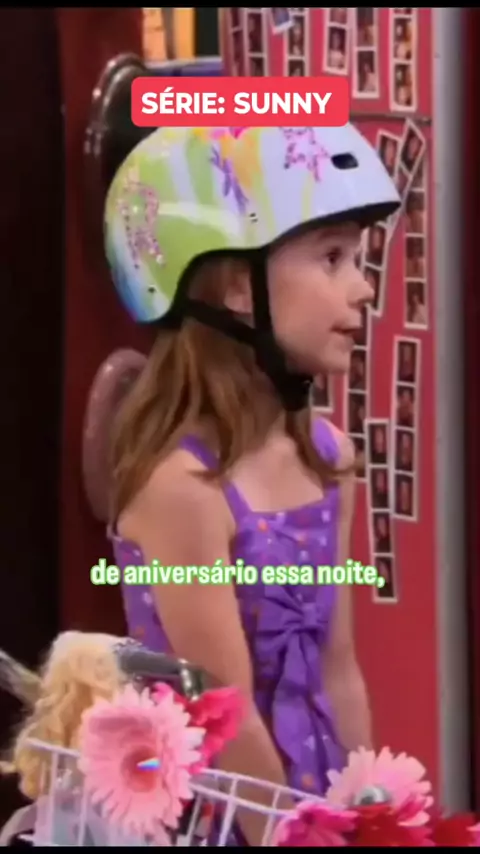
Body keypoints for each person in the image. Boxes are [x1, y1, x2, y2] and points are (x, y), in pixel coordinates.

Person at [104, 125, 400, 845]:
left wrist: (370, 815)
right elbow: (225, 715)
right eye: (332, 257)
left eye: (358, 258)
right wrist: (298, 837)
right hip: (222, 816)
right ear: (237, 285)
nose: (363, 286)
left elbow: (338, 671)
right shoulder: (182, 486)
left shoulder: (329, 457)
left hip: (314, 805)